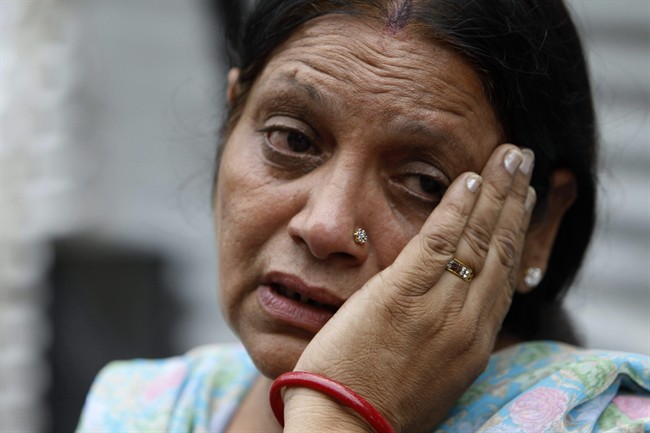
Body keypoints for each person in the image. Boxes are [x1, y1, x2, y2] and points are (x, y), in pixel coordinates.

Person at [76, 0, 650, 432]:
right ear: (231, 124)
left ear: (536, 230)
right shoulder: (143, 409)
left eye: (424, 182)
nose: (326, 228)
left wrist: (342, 412)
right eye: (291, 140)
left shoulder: (603, 420)